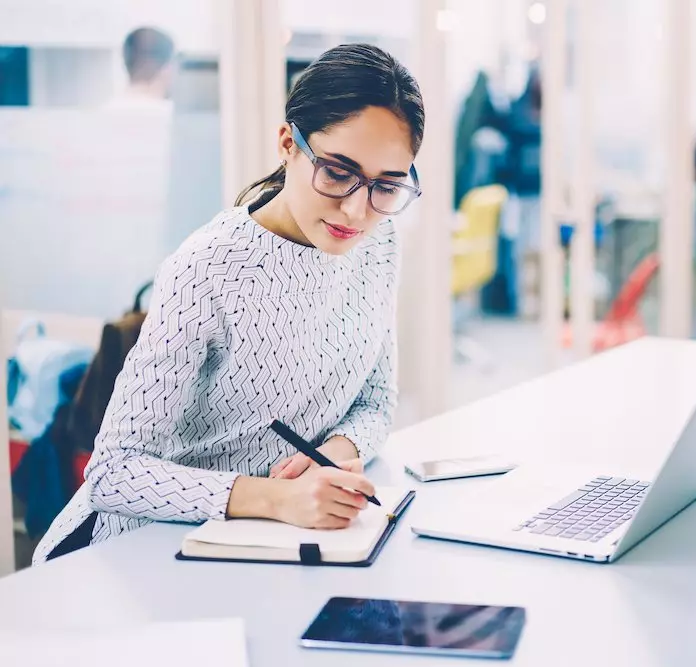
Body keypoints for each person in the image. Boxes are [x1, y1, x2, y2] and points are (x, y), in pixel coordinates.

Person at [32, 43, 424, 564]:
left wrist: (335, 452)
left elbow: (375, 403)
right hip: (147, 553)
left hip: (277, 545)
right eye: (336, 172)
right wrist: (274, 498)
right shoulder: (208, 268)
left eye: (387, 185)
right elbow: (112, 473)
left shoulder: (379, 243)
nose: (357, 209)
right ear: (288, 143)